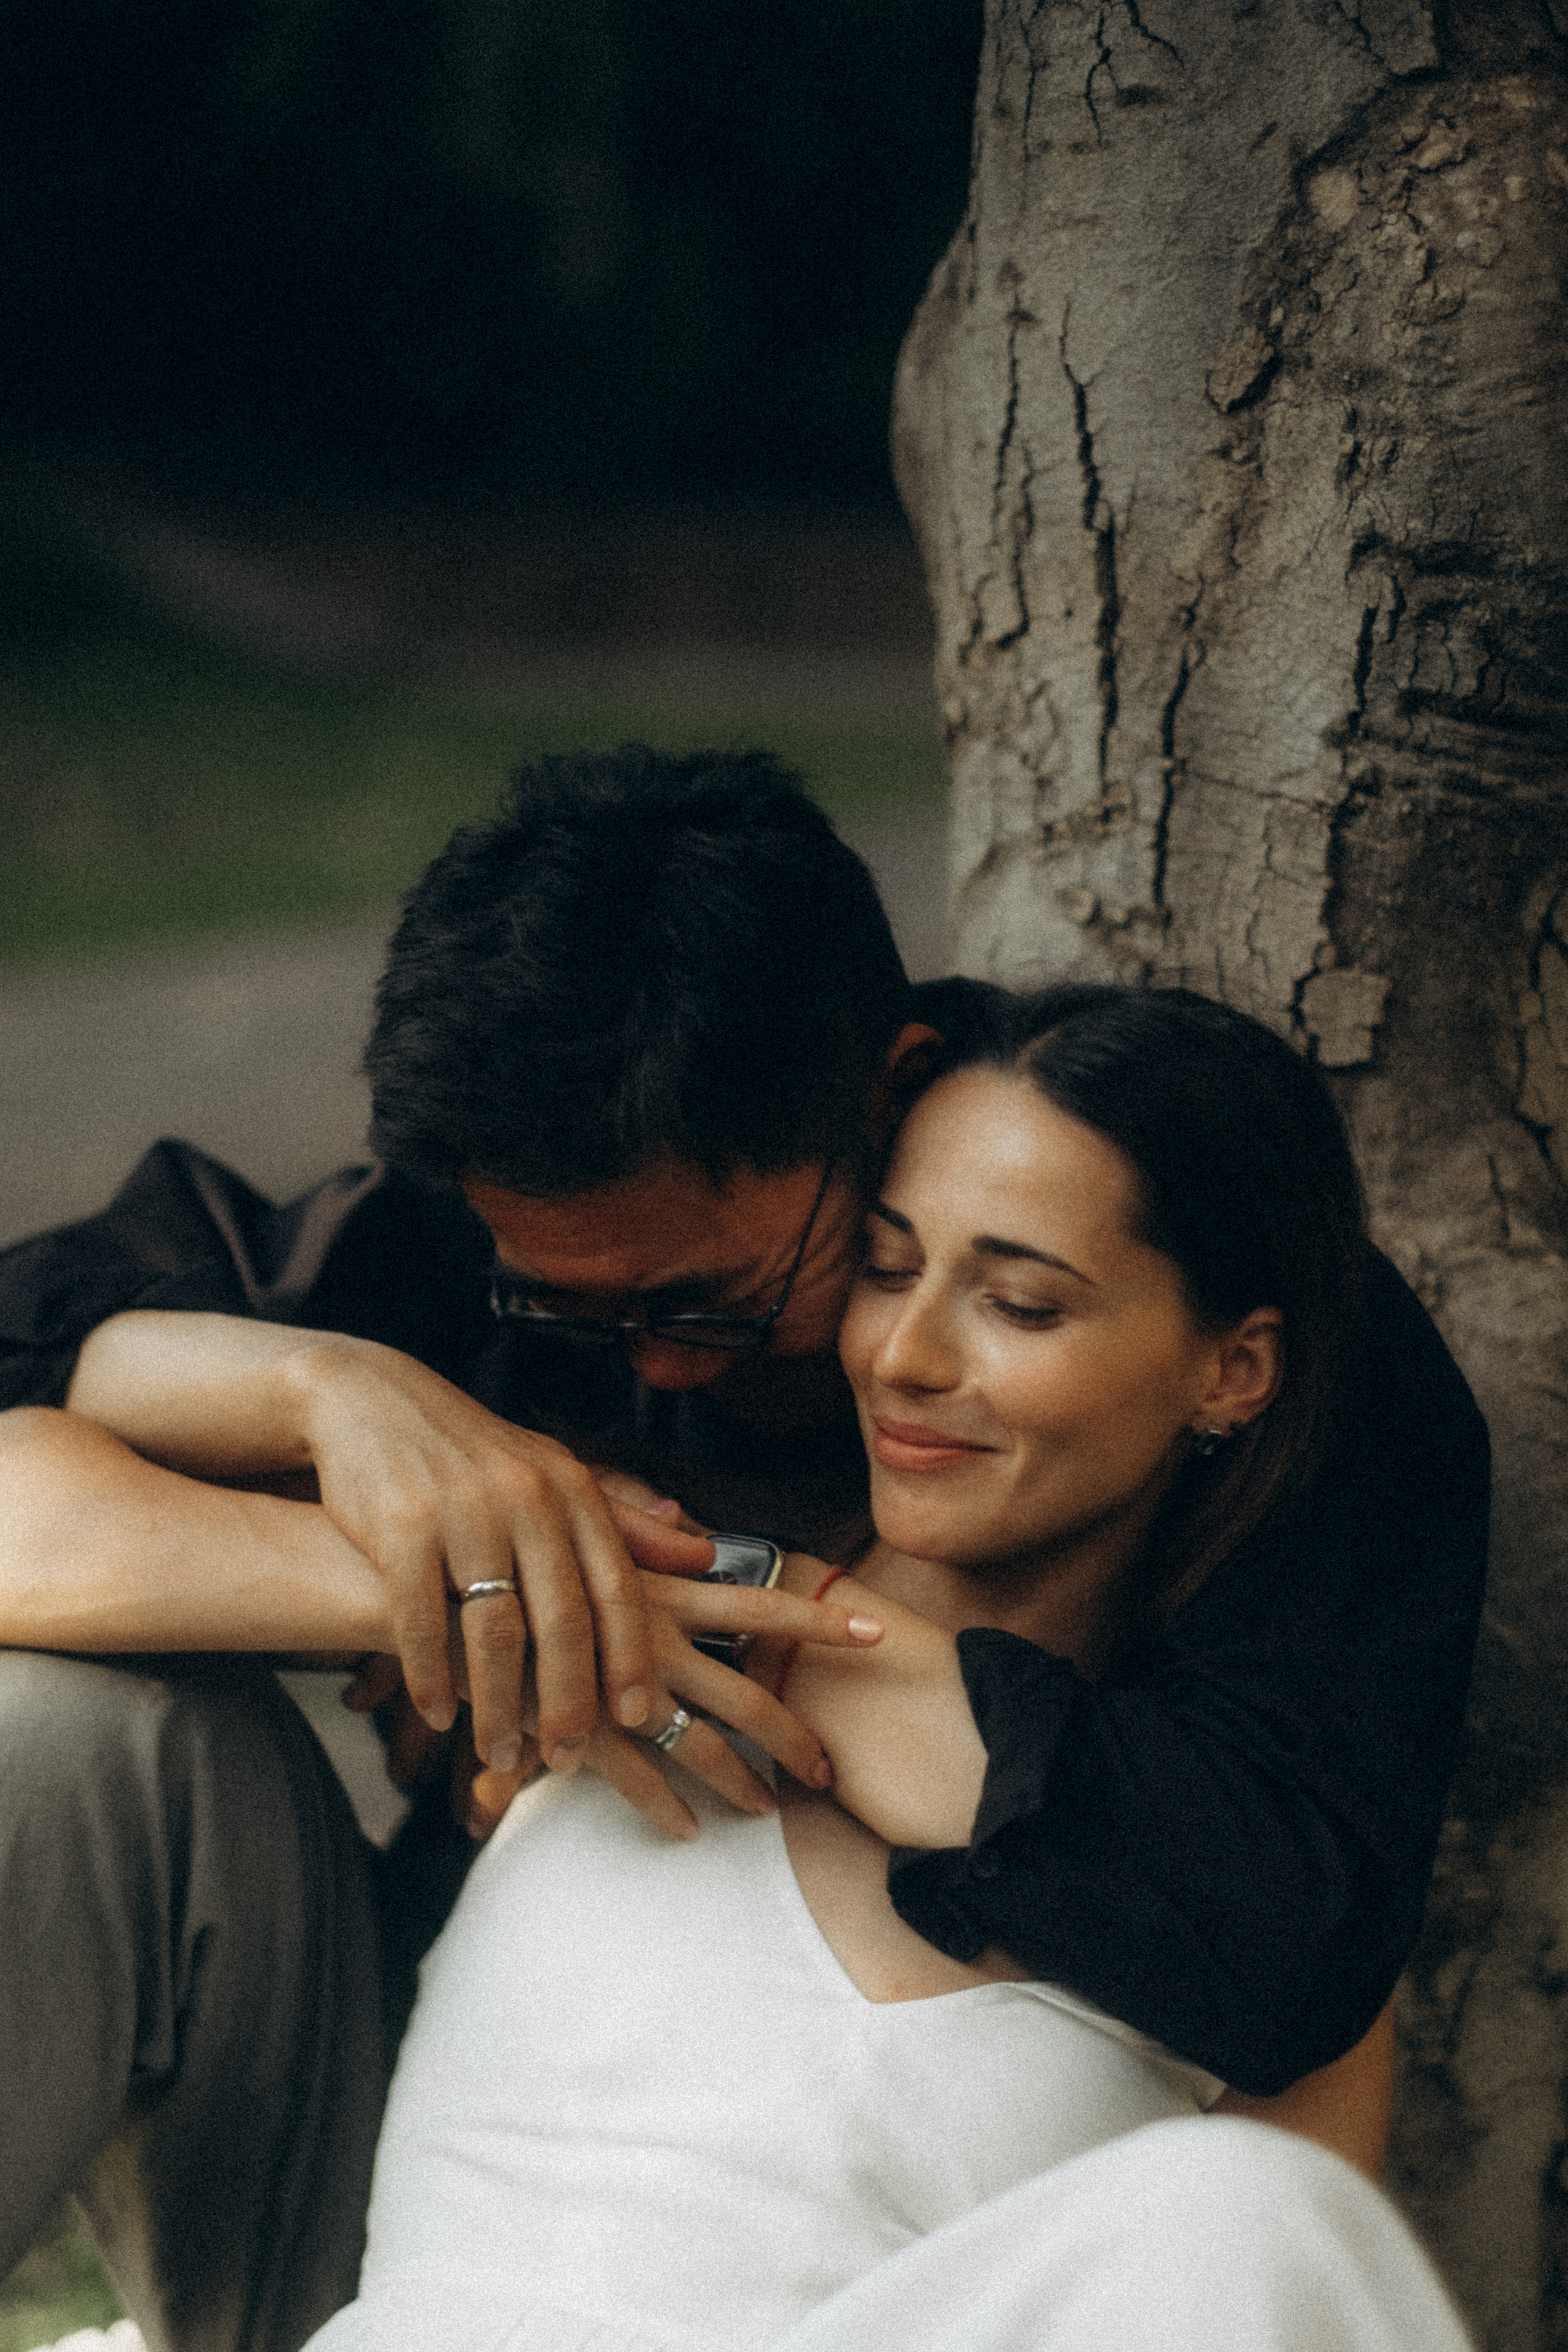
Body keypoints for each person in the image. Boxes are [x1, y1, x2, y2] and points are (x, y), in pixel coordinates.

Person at [0, 750, 1487, 2351]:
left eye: (712, 1301)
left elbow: (1300, 1956)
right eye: (565, 1312)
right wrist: (380, 1456)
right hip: (408, 2180)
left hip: (902, 2274)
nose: (655, 1365)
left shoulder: (1271, 1373)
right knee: (73, 1737)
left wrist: (782, 1639)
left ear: (890, 1093)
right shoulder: (536, 1197)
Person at [290, 984, 1475, 2352]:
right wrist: (350, 1413)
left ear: (1231, 1372)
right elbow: (57, 1515)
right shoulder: (607, 1597)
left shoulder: (1259, 1915)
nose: (906, 1357)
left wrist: (761, 1623)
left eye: (1021, 1305)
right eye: (888, 1266)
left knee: (1250, 2210)